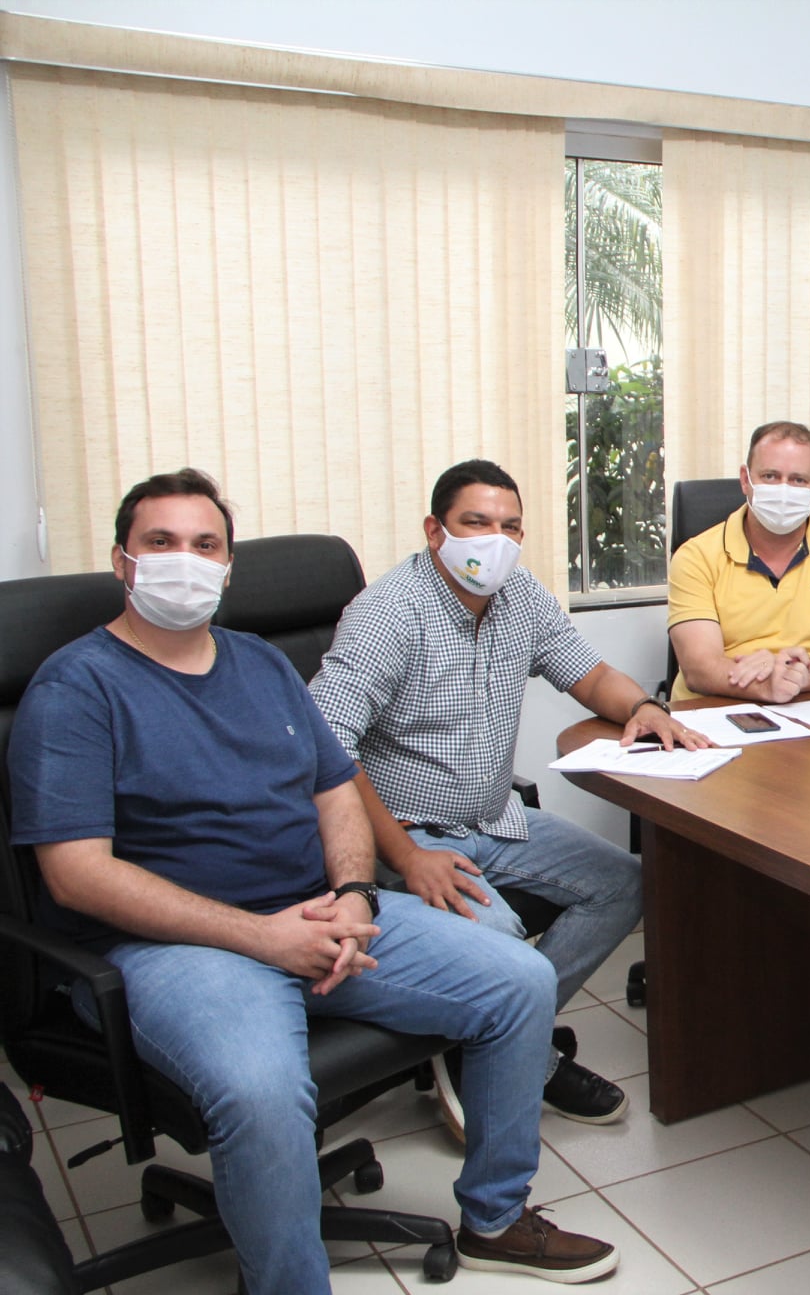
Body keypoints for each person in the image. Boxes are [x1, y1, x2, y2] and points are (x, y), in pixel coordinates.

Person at [7, 469, 618, 1290]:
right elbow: (76, 875)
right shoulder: (76, 688)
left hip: (319, 910)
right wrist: (264, 936)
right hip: (170, 947)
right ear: (123, 561)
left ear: (228, 567)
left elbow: (336, 787)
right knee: (262, 1091)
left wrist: (358, 897)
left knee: (520, 980)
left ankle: (496, 1218)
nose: (184, 561)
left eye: (205, 545)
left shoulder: (258, 664)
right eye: (161, 543)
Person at [310, 460, 709, 1132]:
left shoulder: (518, 595)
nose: (494, 541)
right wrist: (406, 857)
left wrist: (644, 706)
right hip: (405, 833)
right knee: (502, 950)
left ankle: (487, 1043)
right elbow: (325, 750)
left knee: (626, 883)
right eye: (476, 523)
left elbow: (588, 674)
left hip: (493, 820)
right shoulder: (386, 614)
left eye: (510, 527)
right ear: (435, 531)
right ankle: (519, 1052)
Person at [665, 421, 810, 703]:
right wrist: (767, 686)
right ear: (746, 480)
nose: (784, 490)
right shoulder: (695, 555)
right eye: (770, 476)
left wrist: (799, 677)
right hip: (716, 710)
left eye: (798, 480)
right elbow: (699, 668)